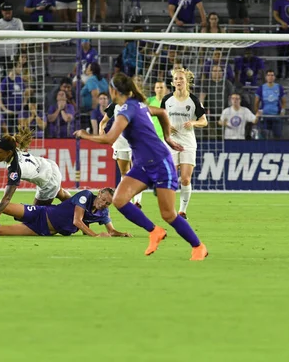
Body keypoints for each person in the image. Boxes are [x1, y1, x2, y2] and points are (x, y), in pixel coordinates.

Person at [74, 72, 208, 260]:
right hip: (142, 165)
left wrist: (84, 134)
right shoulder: (137, 105)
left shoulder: (127, 109)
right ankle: (154, 231)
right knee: (119, 200)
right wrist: (168, 137)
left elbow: (109, 138)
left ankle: (198, 246)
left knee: (168, 214)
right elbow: (161, 112)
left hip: (161, 163)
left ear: (113, 91)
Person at [0, 187, 130, 237]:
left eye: (108, 203)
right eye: (104, 199)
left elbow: (111, 231)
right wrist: (95, 235)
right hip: (40, 213)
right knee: (2, 206)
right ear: (100, 193)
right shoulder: (86, 195)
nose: (104, 204)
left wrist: (120, 234)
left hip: (44, 230)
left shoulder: (103, 212)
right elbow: (77, 221)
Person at [160, 67, 207, 219]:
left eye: (181, 78)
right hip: (171, 141)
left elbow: (204, 121)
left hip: (187, 142)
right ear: (173, 83)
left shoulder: (193, 100)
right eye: (176, 79)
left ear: (186, 81)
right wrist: (167, 126)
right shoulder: (167, 100)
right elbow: (161, 117)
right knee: (171, 178)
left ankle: (182, 210)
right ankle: (171, 209)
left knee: (186, 178)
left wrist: (193, 123)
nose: (179, 81)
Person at [99, 101, 143, 208]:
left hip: (135, 141)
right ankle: (127, 199)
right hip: (120, 143)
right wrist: (101, 129)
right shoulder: (114, 105)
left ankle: (137, 201)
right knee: (124, 172)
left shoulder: (136, 104)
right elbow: (104, 121)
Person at [254, 70, 285, 139]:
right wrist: (257, 112)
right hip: (264, 116)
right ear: (266, 77)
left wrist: (282, 110)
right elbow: (256, 102)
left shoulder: (279, 87)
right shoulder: (261, 88)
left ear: (274, 77)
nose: (270, 77)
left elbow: (283, 101)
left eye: (272, 75)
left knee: (277, 137)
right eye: (268, 75)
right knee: (263, 137)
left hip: (276, 115)